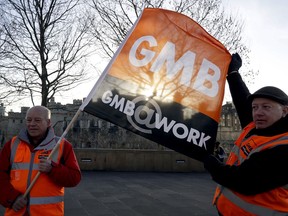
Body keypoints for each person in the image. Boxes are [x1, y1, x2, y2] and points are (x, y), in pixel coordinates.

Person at [204, 53, 288, 215]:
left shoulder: (284, 147)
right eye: (255, 107)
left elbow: (245, 181)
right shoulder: (257, 126)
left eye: (266, 107)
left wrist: (211, 163)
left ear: (285, 111)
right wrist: (233, 73)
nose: (258, 113)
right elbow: (243, 101)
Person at [0, 106, 81, 216]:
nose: (32, 124)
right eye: (29, 120)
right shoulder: (12, 144)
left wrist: (52, 169)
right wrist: (11, 198)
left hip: (48, 212)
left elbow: (74, 178)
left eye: (37, 120)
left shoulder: (62, 145)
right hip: (16, 212)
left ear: (48, 122)